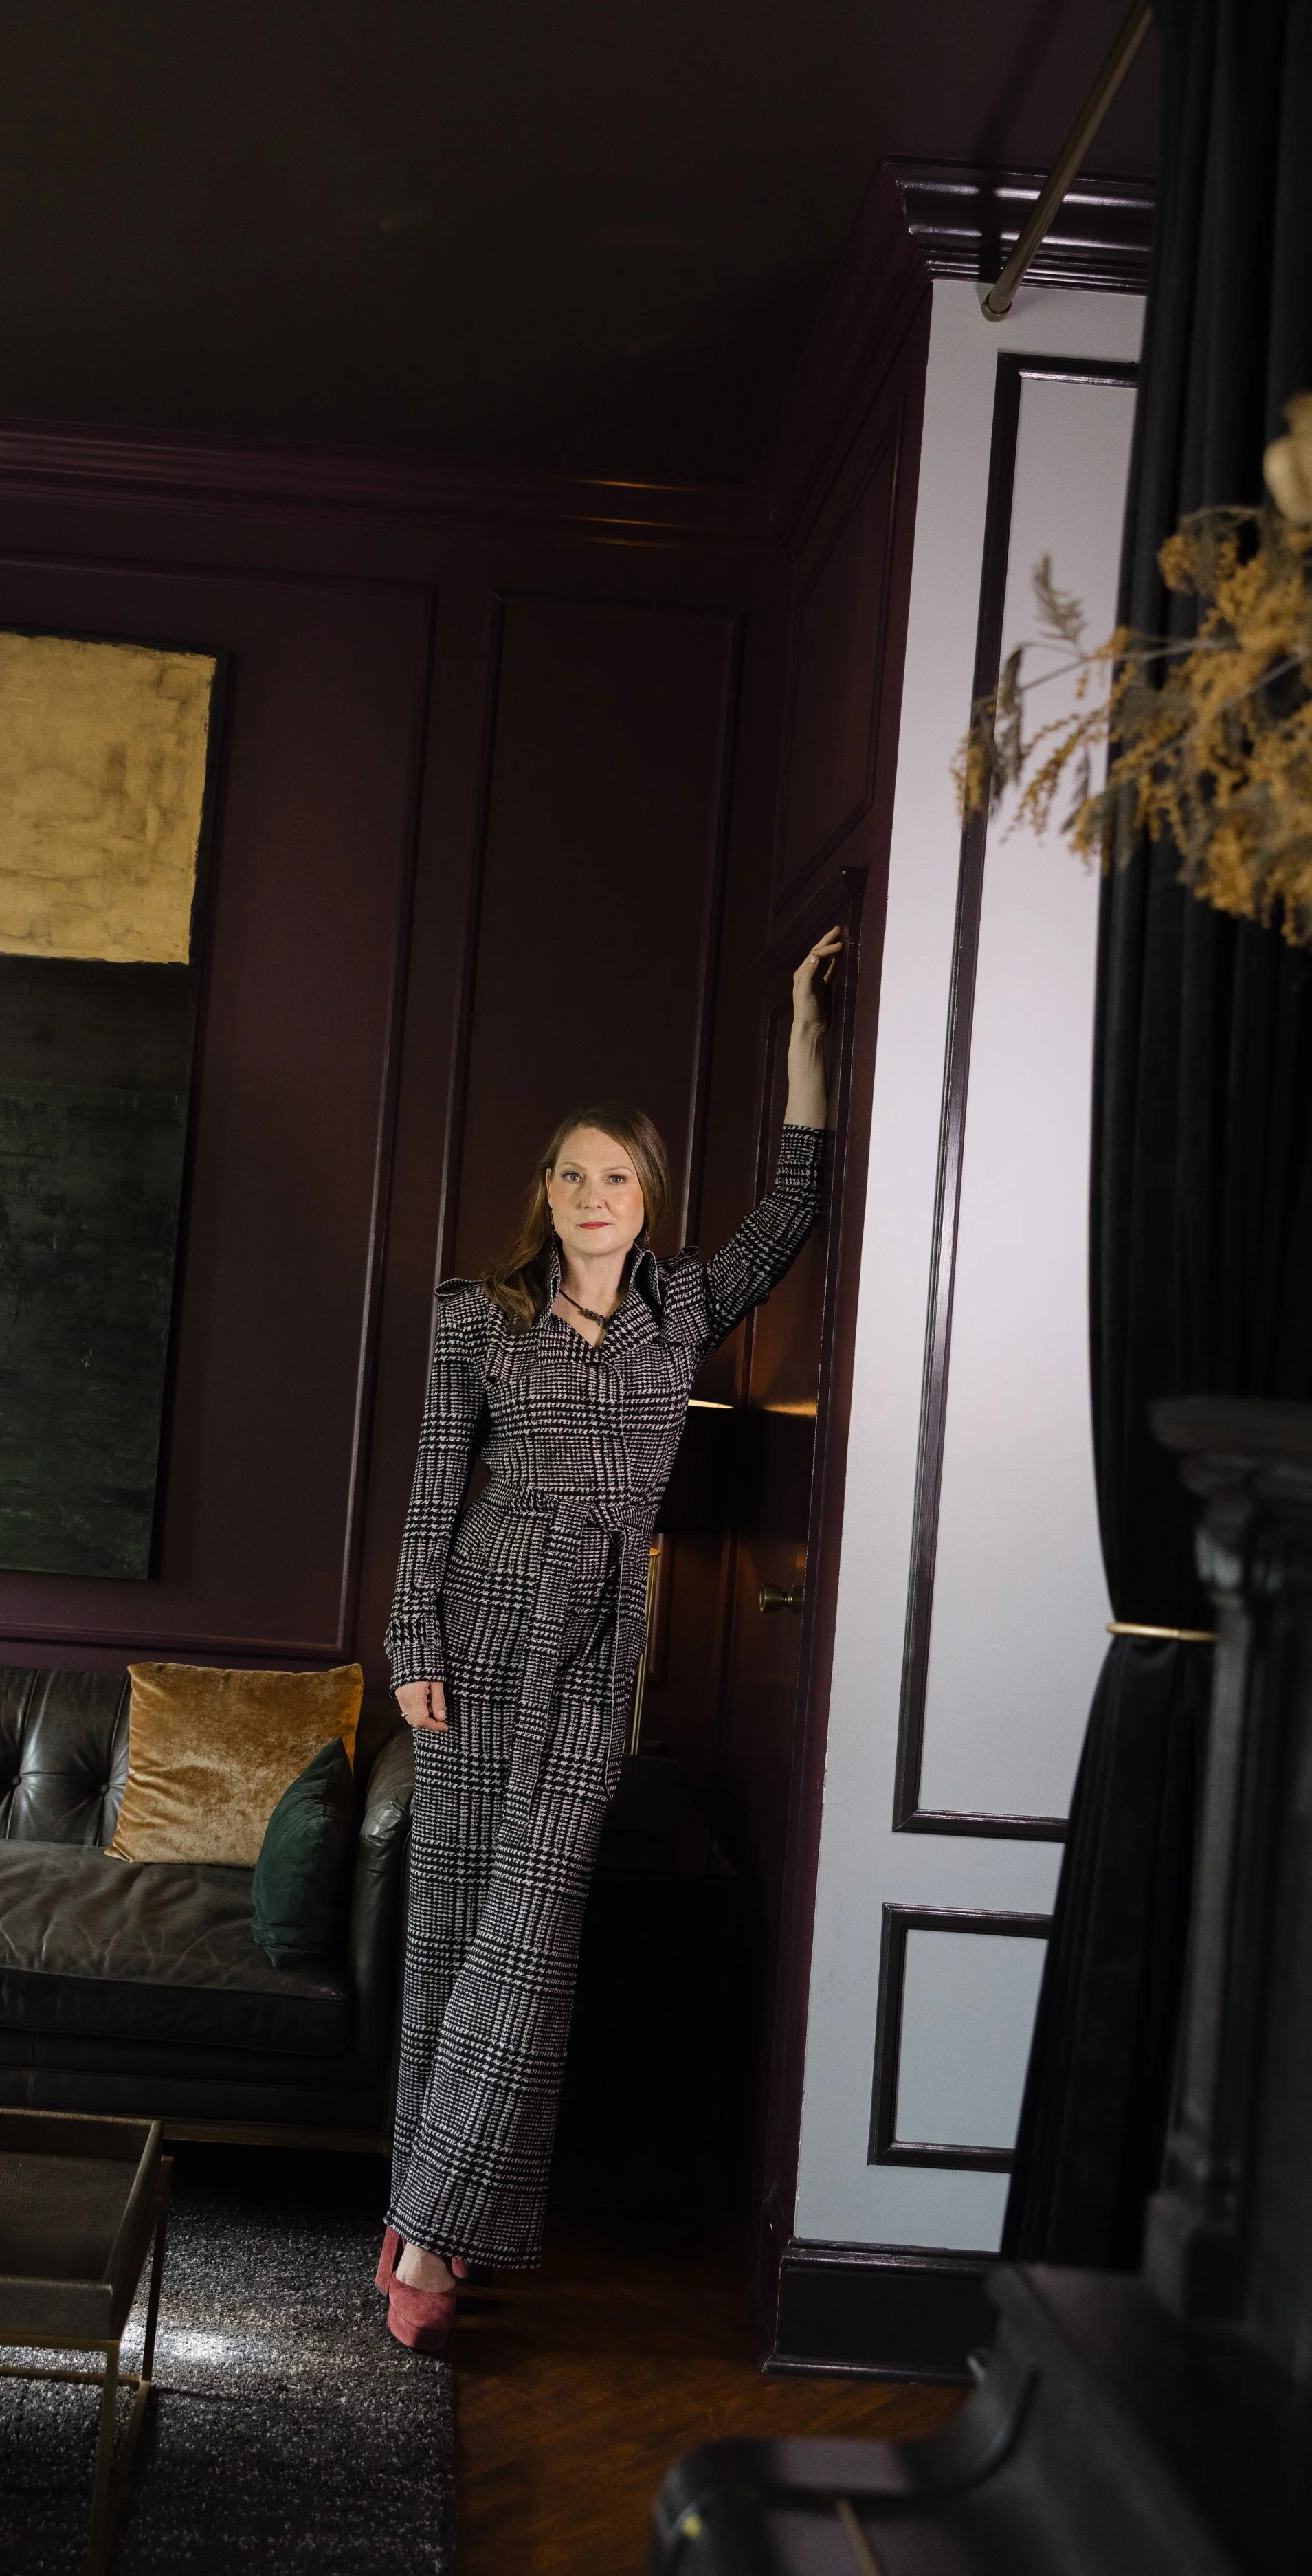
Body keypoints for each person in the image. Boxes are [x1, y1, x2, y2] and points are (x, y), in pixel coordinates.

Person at [377, 928, 842, 2350]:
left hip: (597, 1629)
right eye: (572, 1176)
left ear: (647, 1197)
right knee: (456, 1921)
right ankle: (413, 2213)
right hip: (479, 1612)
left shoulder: (683, 1307)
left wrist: (804, 1037)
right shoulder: (478, 1317)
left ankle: (435, 2230)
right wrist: (409, 1641)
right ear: (548, 1193)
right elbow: (429, 1488)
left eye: (617, 1177)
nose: (592, 1196)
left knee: (529, 1927)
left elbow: (795, 1204)